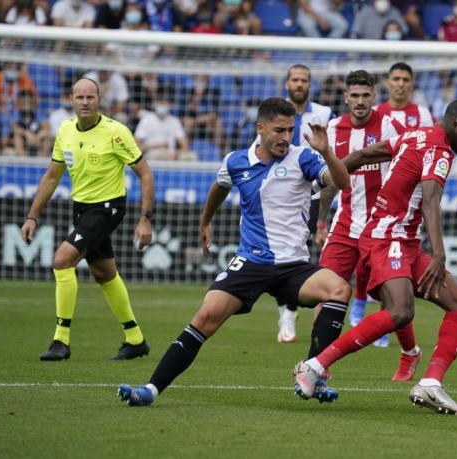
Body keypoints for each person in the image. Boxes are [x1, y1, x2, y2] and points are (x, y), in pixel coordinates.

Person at [117, 97, 351, 407]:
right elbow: (219, 187)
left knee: (339, 288)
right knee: (205, 317)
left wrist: (325, 150)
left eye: (289, 130)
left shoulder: (304, 158)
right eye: (279, 130)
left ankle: (312, 372)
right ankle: (150, 390)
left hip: (293, 266)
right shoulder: (236, 162)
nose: (285, 137)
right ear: (260, 128)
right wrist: (205, 221)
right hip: (252, 261)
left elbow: (342, 182)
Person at [294, 98, 457, 415]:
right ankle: (314, 367)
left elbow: (361, 156)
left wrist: (330, 171)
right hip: (387, 237)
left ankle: (430, 383)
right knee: (400, 311)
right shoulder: (439, 150)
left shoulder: (415, 135)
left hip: (403, 241)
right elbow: (431, 200)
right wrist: (439, 253)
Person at [20, 77, 154, 361]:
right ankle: (135, 339)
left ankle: (61, 340)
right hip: (81, 209)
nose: (84, 102)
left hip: (108, 207)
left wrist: (145, 218)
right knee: (104, 274)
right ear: (71, 99)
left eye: (89, 97)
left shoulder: (116, 132)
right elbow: (52, 176)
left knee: (62, 260)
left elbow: (145, 173)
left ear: (99, 99)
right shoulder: (65, 130)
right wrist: (32, 216)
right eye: (79, 97)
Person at [316, 69, 422, 381]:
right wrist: (321, 221)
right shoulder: (333, 129)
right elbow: (329, 183)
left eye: (366, 96)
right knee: (325, 294)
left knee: (394, 304)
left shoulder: (390, 125)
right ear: (345, 97)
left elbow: (412, 162)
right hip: (345, 226)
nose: (360, 101)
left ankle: (409, 352)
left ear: (374, 97)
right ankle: (318, 365)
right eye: (355, 96)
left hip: (382, 230)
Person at [275, 64, 335, 344]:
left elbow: (332, 153)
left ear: (310, 85)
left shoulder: (324, 114)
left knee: (303, 251)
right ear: (287, 83)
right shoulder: (274, 111)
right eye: (295, 79)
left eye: (304, 80)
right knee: (284, 252)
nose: (299, 84)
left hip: (311, 194)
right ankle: (287, 312)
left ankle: (294, 306)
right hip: (280, 194)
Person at [134, 90, 195, 161]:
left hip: (171, 154)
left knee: (190, 156)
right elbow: (136, 145)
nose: (162, 105)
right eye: (160, 103)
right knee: (156, 156)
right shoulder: (146, 120)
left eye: (165, 103)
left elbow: (184, 144)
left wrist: (176, 153)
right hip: (151, 152)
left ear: (170, 105)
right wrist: (157, 146)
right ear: (154, 104)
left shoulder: (174, 121)